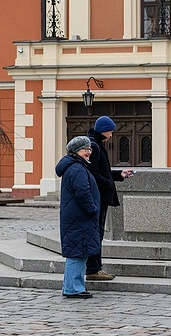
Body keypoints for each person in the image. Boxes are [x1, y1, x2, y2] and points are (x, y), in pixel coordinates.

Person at [86, 116, 134, 281]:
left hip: (99, 195)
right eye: (110, 131)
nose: (112, 135)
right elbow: (94, 174)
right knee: (96, 233)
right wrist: (108, 184)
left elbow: (102, 172)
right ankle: (93, 269)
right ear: (103, 130)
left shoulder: (96, 145)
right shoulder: (95, 146)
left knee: (97, 232)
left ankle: (94, 268)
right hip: (98, 196)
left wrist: (118, 175)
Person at [56, 136, 101, 299]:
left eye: (89, 149)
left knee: (78, 252)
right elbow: (82, 193)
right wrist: (93, 209)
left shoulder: (76, 166)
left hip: (77, 218)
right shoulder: (77, 168)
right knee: (77, 253)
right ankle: (73, 288)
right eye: (85, 149)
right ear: (76, 151)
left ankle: (72, 286)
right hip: (80, 218)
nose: (88, 152)